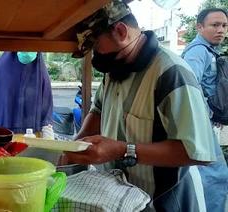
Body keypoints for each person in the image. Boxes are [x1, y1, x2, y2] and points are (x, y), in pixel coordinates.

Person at [65, 0, 228, 211]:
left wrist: (122, 150)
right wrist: (70, 150)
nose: (96, 56)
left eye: (96, 46)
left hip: (164, 200)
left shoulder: (171, 73)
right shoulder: (115, 69)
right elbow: (98, 111)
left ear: (121, 31)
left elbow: (197, 152)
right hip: (119, 196)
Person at [182, 8, 228, 160]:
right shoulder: (198, 52)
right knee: (213, 173)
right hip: (199, 123)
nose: (221, 30)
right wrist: (208, 113)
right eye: (215, 25)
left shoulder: (209, 50)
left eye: (224, 25)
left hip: (205, 120)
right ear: (199, 27)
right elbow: (189, 88)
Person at [0, 52, 54, 137]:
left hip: (33, 139)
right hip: (3, 137)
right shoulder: (0, 70)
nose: (27, 52)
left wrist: (48, 131)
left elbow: (46, 105)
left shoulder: (40, 72)